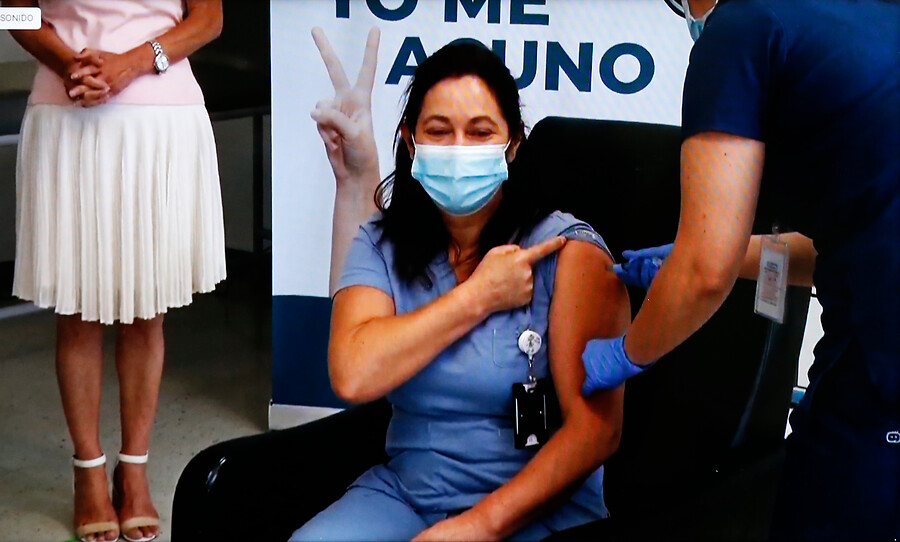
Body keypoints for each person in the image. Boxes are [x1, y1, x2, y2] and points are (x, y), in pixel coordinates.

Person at [581, 0, 900, 539]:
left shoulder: (742, 29)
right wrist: (700, 259)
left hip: (878, 386)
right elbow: (853, 244)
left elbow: (706, 273)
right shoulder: (874, 16)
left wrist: (626, 354)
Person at [295, 39, 629, 541]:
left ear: (513, 145)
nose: (458, 149)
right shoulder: (381, 243)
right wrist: (477, 298)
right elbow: (353, 375)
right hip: (409, 495)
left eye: (480, 132)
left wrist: (477, 528)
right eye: (438, 131)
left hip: (539, 508)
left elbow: (596, 430)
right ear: (410, 142)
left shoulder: (567, 251)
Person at [5, 1, 225, 541]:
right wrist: (68, 64)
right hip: (66, 114)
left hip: (161, 119)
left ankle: (134, 469)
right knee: (76, 313)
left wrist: (131, 62)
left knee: (147, 313)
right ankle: (88, 472)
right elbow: (11, 13)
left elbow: (209, 19)